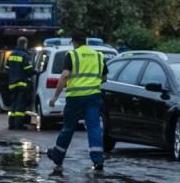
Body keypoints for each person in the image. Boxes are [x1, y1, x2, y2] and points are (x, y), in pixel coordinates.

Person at [47, 31, 108, 173]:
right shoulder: (98, 55)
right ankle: (98, 161)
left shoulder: (72, 55)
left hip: (75, 98)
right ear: (85, 41)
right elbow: (104, 78)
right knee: (94, 128)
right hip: (93, 97)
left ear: (74, 42)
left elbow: (65, 76)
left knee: (68, 128)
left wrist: (55, 97)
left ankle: (58, 156)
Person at [7, 36, 34, 130]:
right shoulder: (25, 55)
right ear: (25, 44)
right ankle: (18, 125)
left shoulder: (11, 54)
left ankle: (11, 124)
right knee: (20, 105)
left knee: (13, 104)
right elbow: (28, 69)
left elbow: (7, 68)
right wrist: (36, 71)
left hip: (12, 84)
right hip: (22, 84)